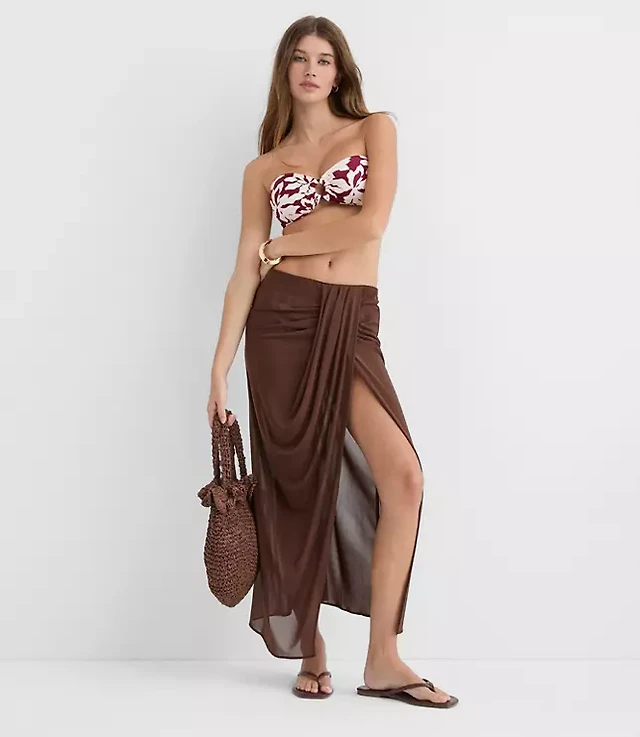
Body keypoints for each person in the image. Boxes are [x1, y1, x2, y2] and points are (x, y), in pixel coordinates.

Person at [207, 15, 458, 709]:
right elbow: (243, 270)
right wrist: (219, 365)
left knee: (403, 476)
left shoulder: (375, 130)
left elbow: (371, 223)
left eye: (324, 59)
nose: (311, 69)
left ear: (340, 71)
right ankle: (309, 646)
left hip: (350, 320)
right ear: (285, 71)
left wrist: (281, 246)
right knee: (293, 486)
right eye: (299, 58)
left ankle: (383, 658)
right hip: (278, 326)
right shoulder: (263, 169)